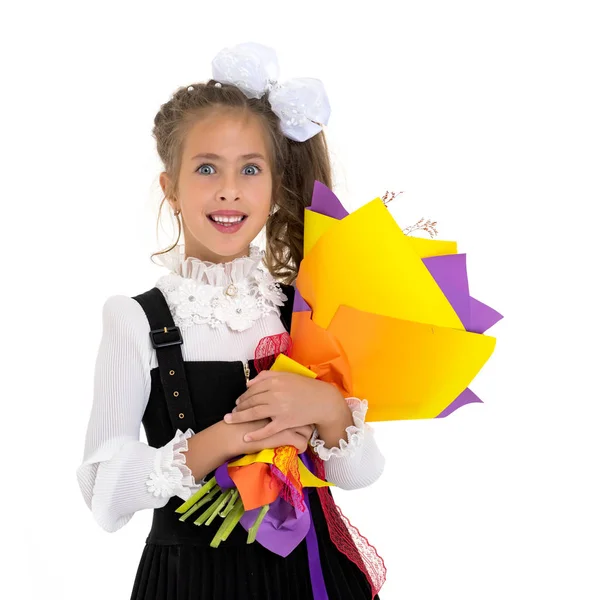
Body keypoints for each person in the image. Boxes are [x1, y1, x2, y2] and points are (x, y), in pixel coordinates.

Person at [76, 42, 386, 600]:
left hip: (308, 576)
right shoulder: (137, 319)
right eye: (205, 168)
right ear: (170, 188)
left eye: (250, 168)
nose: (228, 188)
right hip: (190, 580)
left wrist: (329, 408)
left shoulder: (306, 307)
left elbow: (360, 473)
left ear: (274, 188)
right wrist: (225, 438)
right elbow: (103, 494)